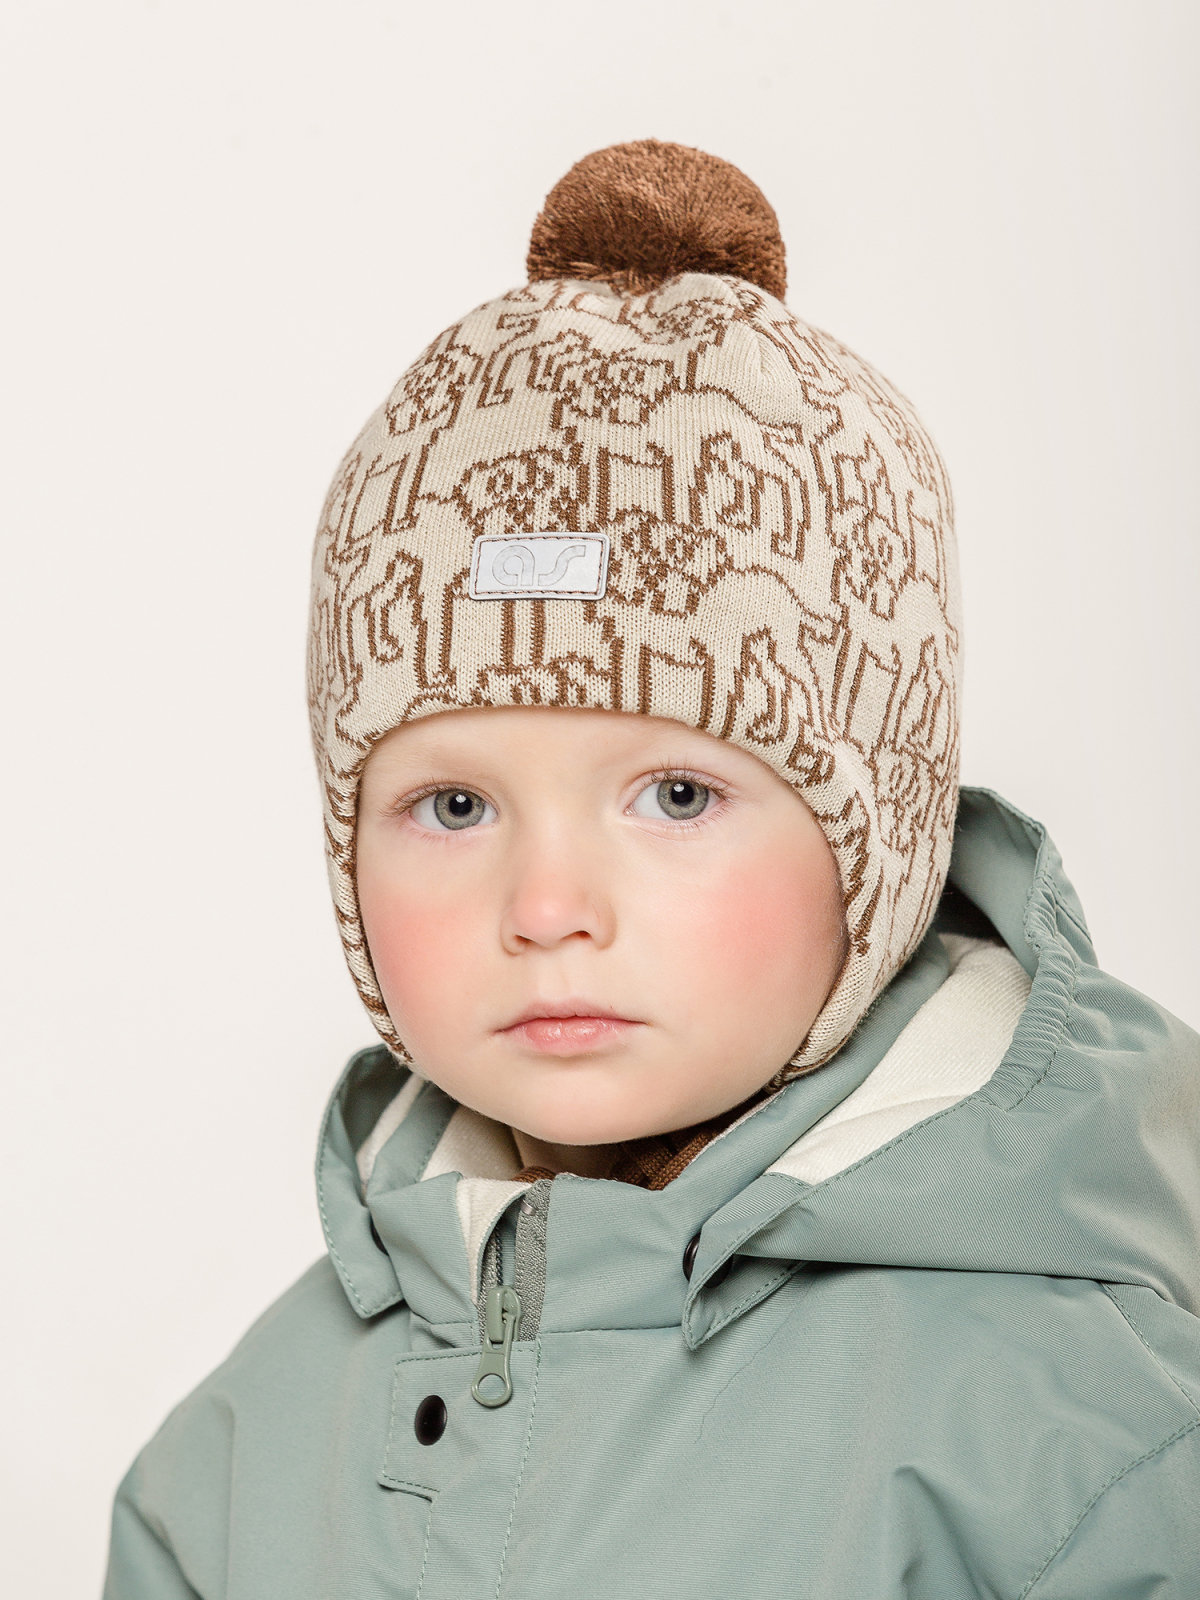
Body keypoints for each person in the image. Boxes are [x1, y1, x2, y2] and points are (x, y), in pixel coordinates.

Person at [103, 140, 1200, 1599]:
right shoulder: (237, 1464)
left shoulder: (1089, 1444)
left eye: (677, 794)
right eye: (452, 807)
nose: (549, 909)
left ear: (876, 844)